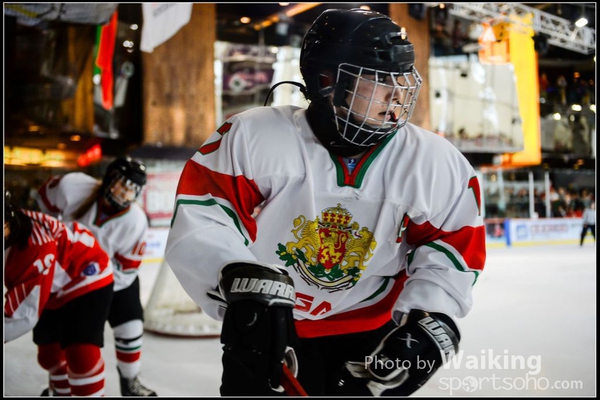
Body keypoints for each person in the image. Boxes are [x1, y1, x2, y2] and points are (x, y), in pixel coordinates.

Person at [165, 8, 486, 396]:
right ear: (326, 81)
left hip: (372, 333)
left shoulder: (433, 160)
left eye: (402, 78)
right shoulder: (254, 135)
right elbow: (204, 217)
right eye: (379, 79)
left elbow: (450, 243)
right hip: (269, 321)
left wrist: (432, 312)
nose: (398, 94)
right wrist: (237, 277)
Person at [35, 156, 157, 396]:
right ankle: (59, 385)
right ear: (109, 178)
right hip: (63, 275)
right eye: (122, 185)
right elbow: (43, 202)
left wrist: (93, 288)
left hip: (111, 279)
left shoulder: (136, 221)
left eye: (132, 189)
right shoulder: (73, 187)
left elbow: (127, 270)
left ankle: (130, 381)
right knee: (52, 345)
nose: (125, 194)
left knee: (130, 327)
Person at [4, 190, 114, 396]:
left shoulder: (35, 247)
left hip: (85, 275)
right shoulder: (13, 226)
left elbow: (21, 316)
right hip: (50, 282)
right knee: (49, 357)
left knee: (82, 356)